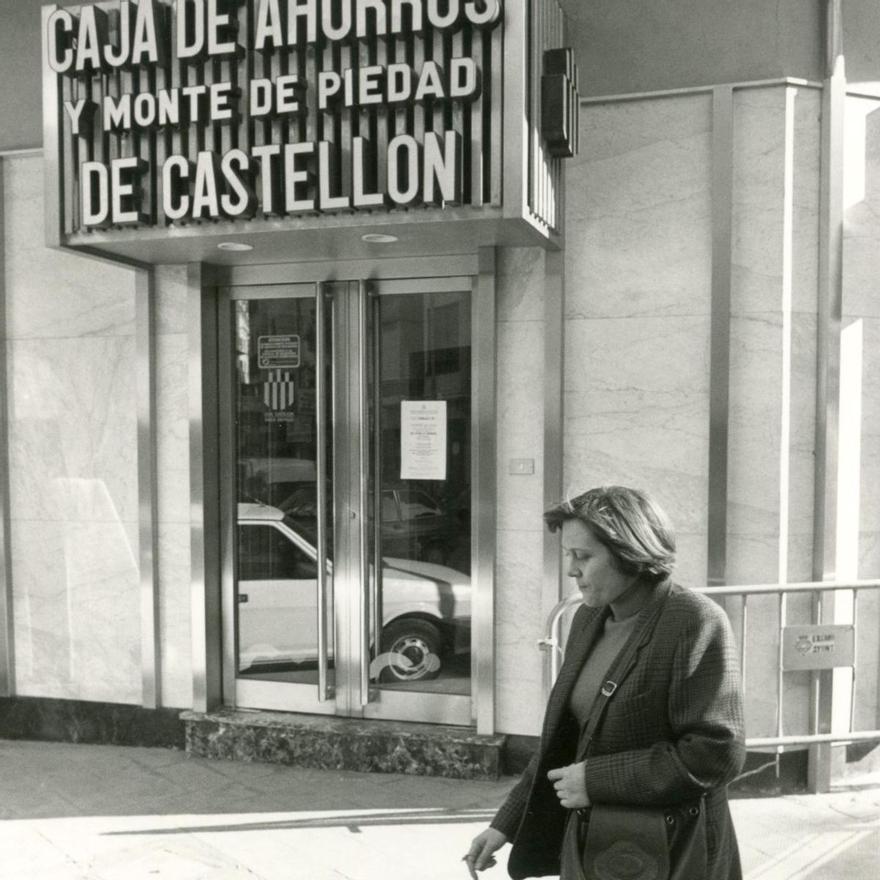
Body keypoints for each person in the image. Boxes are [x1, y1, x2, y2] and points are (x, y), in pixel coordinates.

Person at [464, 486, 746, 880]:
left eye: (583, 556)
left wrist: (595, 780)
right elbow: (565, 740)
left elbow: (716, 754)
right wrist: (505, 824)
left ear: (630, 553)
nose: (570, 570)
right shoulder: (587, 619)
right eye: (568, 555)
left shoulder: (695, 621)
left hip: (675, 852)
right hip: (601, 848)